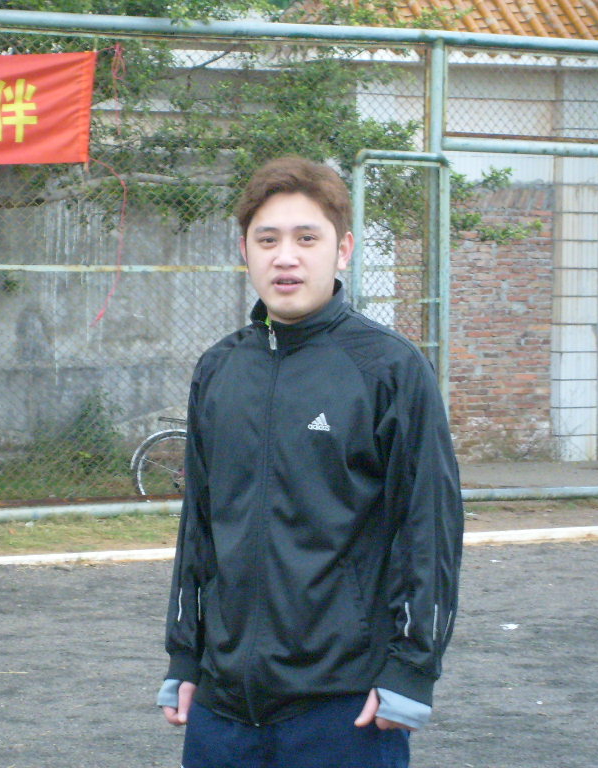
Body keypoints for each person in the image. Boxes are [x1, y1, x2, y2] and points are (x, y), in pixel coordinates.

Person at [157, 156, 464, 768]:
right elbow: (201, 525)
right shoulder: (219, 368)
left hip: (345, 705)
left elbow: (428, 527)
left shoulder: (389, 368)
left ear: (342, 250)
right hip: (222, 705)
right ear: (245, 251)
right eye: (267, 239)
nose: (285, 257)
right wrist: (185, 656)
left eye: (306, 238)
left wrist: (411, 671)